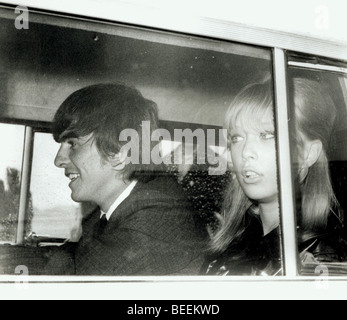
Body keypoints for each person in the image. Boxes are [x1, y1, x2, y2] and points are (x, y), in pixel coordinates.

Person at [43, 82, 207, 275]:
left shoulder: (156, 215)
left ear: (120, 153)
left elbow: (82, 284)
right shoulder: (113, 213)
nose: (58, 160)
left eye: (72, 144)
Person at [203, 77, 346, 276]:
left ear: (308, 153)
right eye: (236, 138)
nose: (245, 152)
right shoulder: (235, 237)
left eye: (267, 135)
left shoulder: (320, 259)